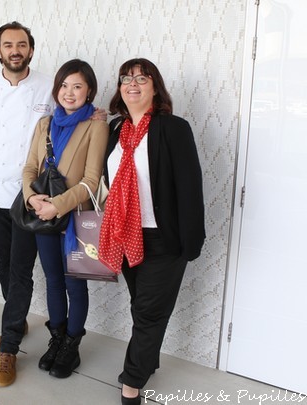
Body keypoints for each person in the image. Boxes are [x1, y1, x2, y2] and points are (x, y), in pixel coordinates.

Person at [98, 58, 205, 405]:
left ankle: (132, 384)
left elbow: (190, 188)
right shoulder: (116, 130)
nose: (133, 84)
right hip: (125, 234)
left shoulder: (173, 128)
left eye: (141, 78)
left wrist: (192, 241)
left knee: (148, 312)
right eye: (126, 79)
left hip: (164, 239)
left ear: (154, 87)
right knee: (141, 306)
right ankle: (150, 360)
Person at [0, 21, 54, 387]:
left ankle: (8, 347)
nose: (15, 50)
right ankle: (17, 317)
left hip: (28, 195)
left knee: (21, 269)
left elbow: (68, 121)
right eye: (8, 45)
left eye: (21, 44)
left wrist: (96, 116)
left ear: (31, 50)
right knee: (4, 264)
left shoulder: (48, 87)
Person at [22, 59, 108, 380]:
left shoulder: (96, 125)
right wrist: (32, 197)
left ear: (89, 92)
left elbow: (90, 181)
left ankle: (72, 346)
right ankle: (56, 338)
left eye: (77, 86)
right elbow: (29, 168)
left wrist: (57, 205)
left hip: (75, 218)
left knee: (75, 283)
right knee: (53, 280)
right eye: (64, 86)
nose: (69, 93)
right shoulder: (44, 123)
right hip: (42, 215)